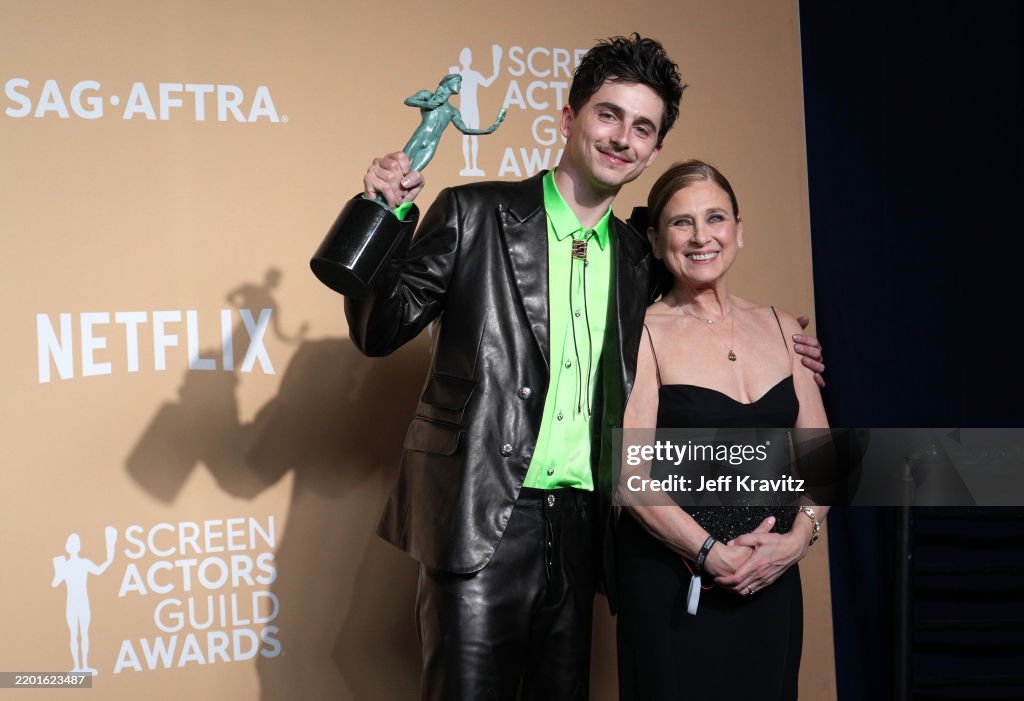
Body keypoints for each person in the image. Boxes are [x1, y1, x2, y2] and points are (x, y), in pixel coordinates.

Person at [328, 36, 823, 700]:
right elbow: (377, 329)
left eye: (642, 128)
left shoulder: (639, 256)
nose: (622, 137)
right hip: (482, 517)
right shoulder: (475, 214)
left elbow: (698, 310)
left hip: (584, 528)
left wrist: (787, 340)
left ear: (652, 152)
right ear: (569, 118)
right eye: (608, 115)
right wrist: (380, 215)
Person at [615, 160, 830, 700]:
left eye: (715, 217)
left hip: (773, 577)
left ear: (739, 228)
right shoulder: (641, 332)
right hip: (674, 584)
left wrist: (797, 540)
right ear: (655, 238)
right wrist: (711, 551)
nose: (701, 236)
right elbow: (629, 477)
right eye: (681, 223)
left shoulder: (784, 329)